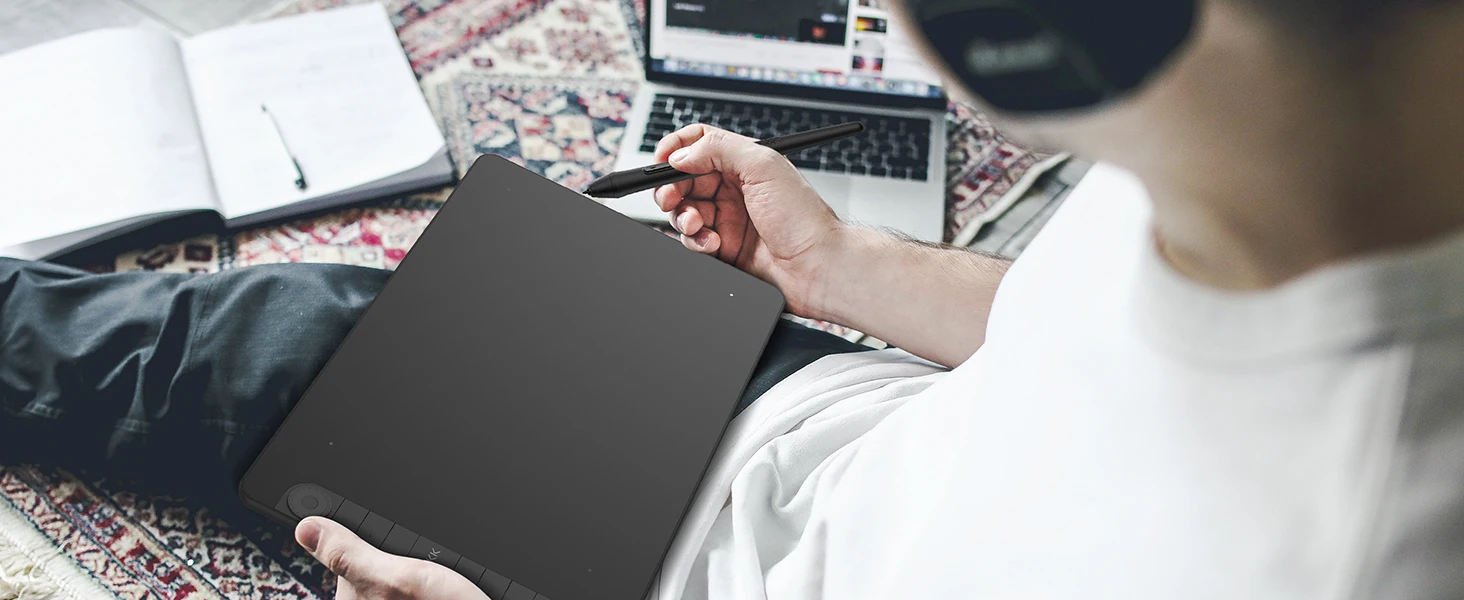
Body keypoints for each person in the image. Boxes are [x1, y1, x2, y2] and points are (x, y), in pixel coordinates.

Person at [4, 0, 1464, 596]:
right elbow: (1098, 344)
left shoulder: (1333, 553)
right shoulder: (1291, 161)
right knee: (405, 304)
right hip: (826, 414)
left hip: (674, 561)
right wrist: (851, 270)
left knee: (242, 347)